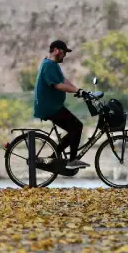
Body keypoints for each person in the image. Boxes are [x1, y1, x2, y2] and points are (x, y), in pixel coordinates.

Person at [33, 40, 87, 169]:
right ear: (56, 50)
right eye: (64, 52)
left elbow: (63, 80)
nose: (65, 56)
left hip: (52, 106)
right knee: (77, 126)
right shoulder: (49, 65)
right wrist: (77, 91)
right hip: (50, 107)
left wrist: (79, 90)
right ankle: (72, 160)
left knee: (74, 129)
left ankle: (53, 159)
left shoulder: (52, 65)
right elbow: (58, 85)